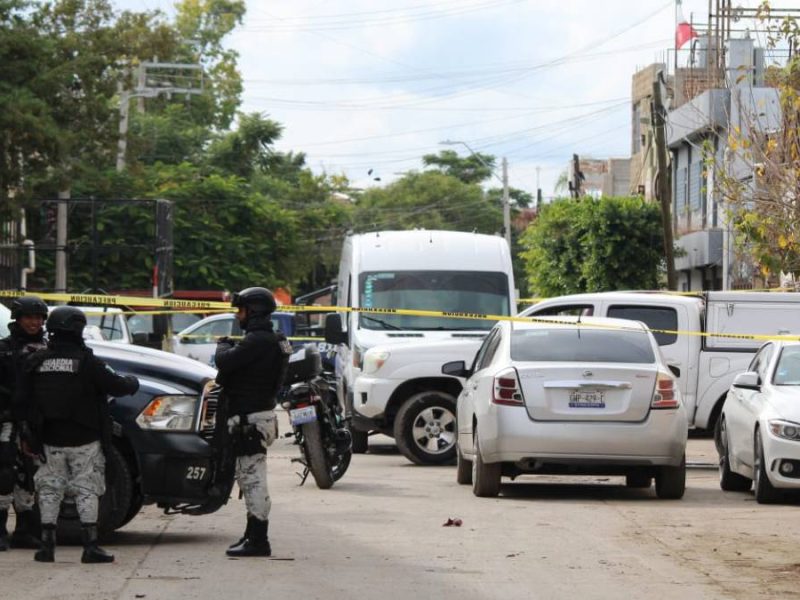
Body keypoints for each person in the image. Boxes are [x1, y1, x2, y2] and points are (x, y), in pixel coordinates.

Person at [17, 306, 139, 563]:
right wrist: (133, 381)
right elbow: (119, 386)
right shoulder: (87, 362)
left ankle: (47, 547)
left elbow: (21, 401)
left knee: (49, 489)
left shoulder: (35, 361)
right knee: (87, 490)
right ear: (78, 329)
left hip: (48, 441)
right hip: (85, 439)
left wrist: (28, 435)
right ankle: (90, 547)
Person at [215, 287, 292, 557]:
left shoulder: (258, 341)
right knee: (248, 478)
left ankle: (259, 540)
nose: (239, 316)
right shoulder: (273, 339)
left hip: (251, 419)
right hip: (258, 416)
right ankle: (252, 533)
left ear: (254, 311)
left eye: (242, 310)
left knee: (254, 479)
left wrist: (223, 345)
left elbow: (224, 363)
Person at [0, 295, 48, 551]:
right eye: (29, 317)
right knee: (5, 474)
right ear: (17, 319)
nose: (34, 322)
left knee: (30, 476)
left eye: (39, 317)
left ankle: (24, 530)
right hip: (8, 421)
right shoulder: (4, 348)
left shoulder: (48, 349)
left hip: (35, 422)